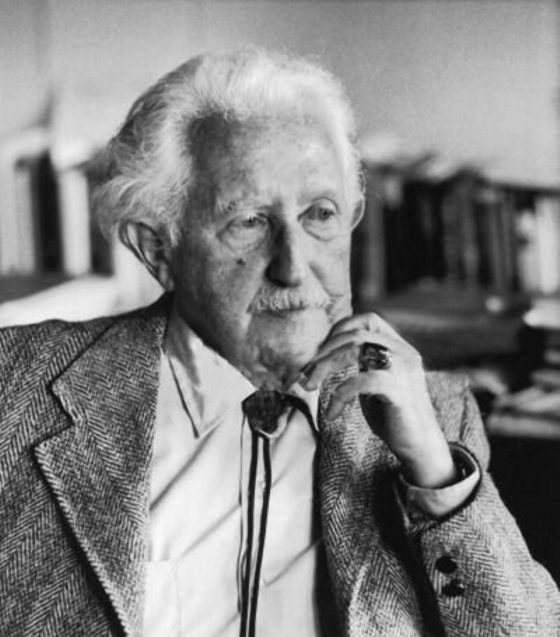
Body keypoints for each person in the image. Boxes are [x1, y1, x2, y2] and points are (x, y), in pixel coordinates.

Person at [0, 49, 558, 637]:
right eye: (249, 222)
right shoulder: (16, 386)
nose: (293, 267)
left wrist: (437, 478)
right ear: (157, 248)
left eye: (320, 214)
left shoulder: (436, 417)